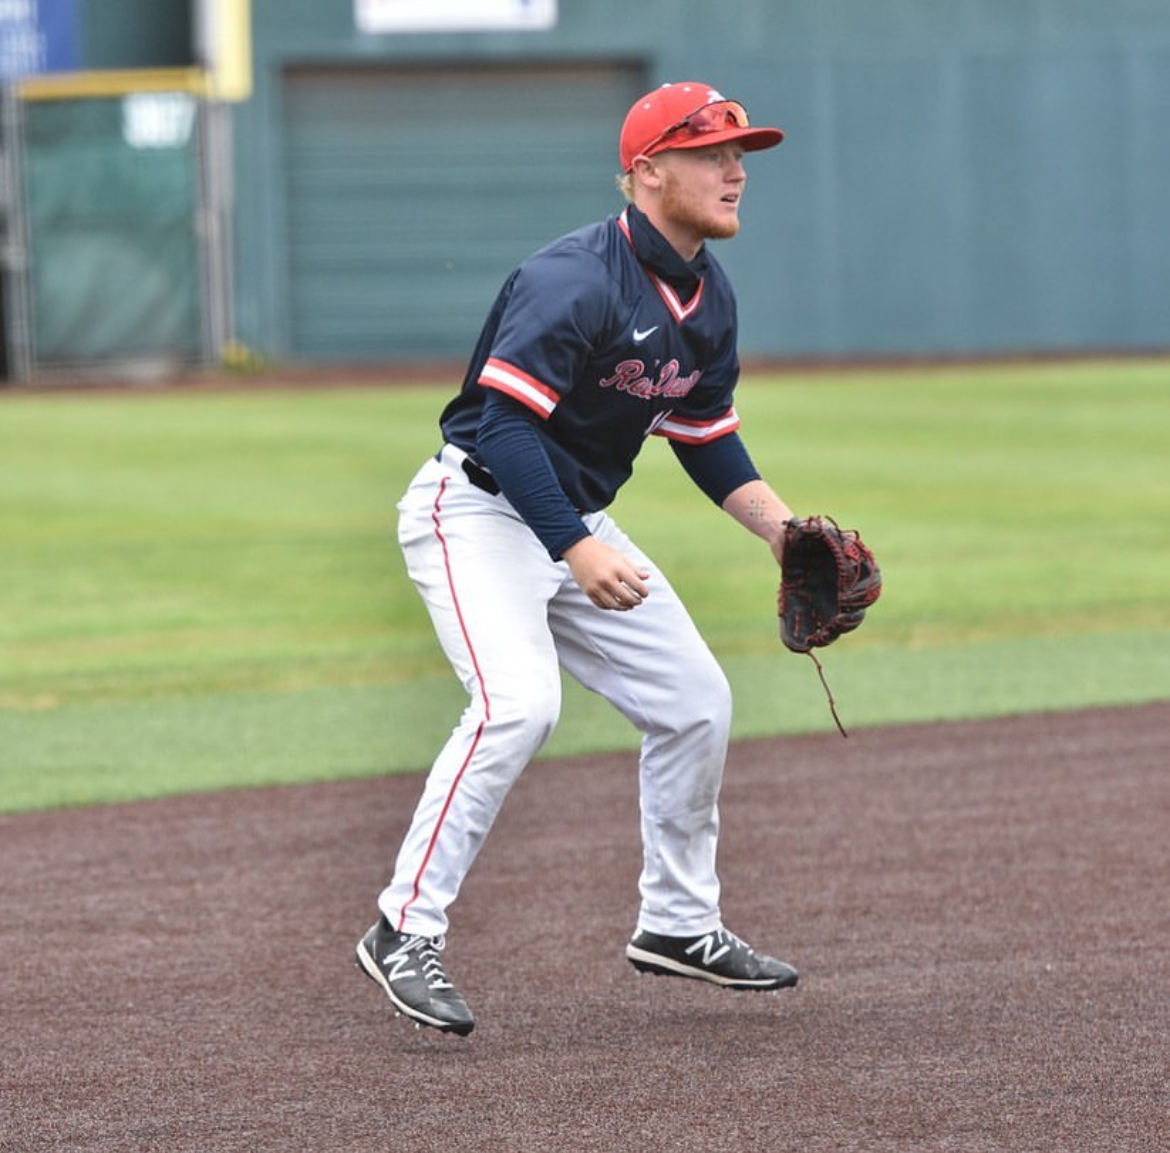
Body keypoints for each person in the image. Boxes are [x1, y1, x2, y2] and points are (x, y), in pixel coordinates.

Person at [356, 81, 800, 1036]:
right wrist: (576, 544)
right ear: (649, 171)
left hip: (572, 522)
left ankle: (678, 923)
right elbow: (504, 428)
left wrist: (783, 530)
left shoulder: (708, 296)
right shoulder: (573, 278)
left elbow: (706, 437)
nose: (735, 171)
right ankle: (403, 927)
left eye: (741, 154)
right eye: (712, 154)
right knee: (518, 706)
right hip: (477, 512)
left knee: (695, 702)